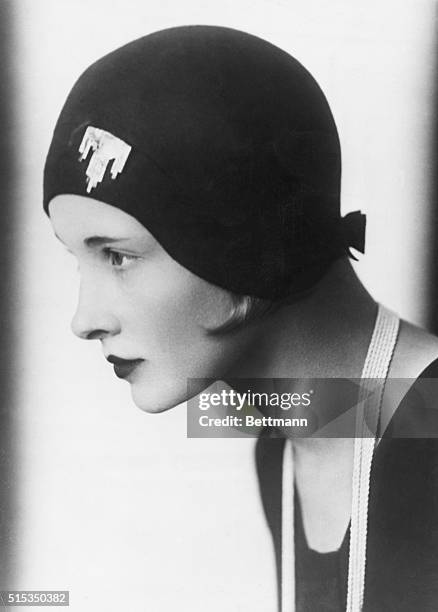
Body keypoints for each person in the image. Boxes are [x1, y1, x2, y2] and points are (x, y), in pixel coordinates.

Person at [43, 25, 438, 611]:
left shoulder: (428, 431)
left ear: (239, 247)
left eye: (118, 257)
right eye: (80, 260)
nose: (83, 320)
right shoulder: (283, 443)